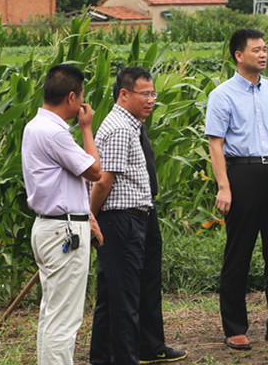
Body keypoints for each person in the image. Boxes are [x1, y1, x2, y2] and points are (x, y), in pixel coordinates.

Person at [205, 28, 268, 350]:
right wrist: (224, 187)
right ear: (238, 55)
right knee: (239, 253)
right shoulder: (222, 95)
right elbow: (215, 144)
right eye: (256, 50)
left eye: (265, 49)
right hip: (242, 174)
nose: (263, 54)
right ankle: (235, 328)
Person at [89, 67, 186, 364]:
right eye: (145, 94)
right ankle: (124, 358)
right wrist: (90, 216)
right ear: (124, 94)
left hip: (133, 217)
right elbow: (104, 181)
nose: (151, 100)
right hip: (120, 220)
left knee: (113, 295)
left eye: (153, 94)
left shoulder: (130, 124)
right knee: (124, 299)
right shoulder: (120, 128)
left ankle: (103, 357)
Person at [21, 64, 102, 364]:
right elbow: (94, 171)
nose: (83, 102)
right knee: (64, 320)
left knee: (52, 314)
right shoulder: (55, 133)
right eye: (81, 95)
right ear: (71, 97)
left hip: (48, 227)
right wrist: (87, 129)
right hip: (63, 232)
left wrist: (87, 216)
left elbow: (62, 183)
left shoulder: (34, 126)